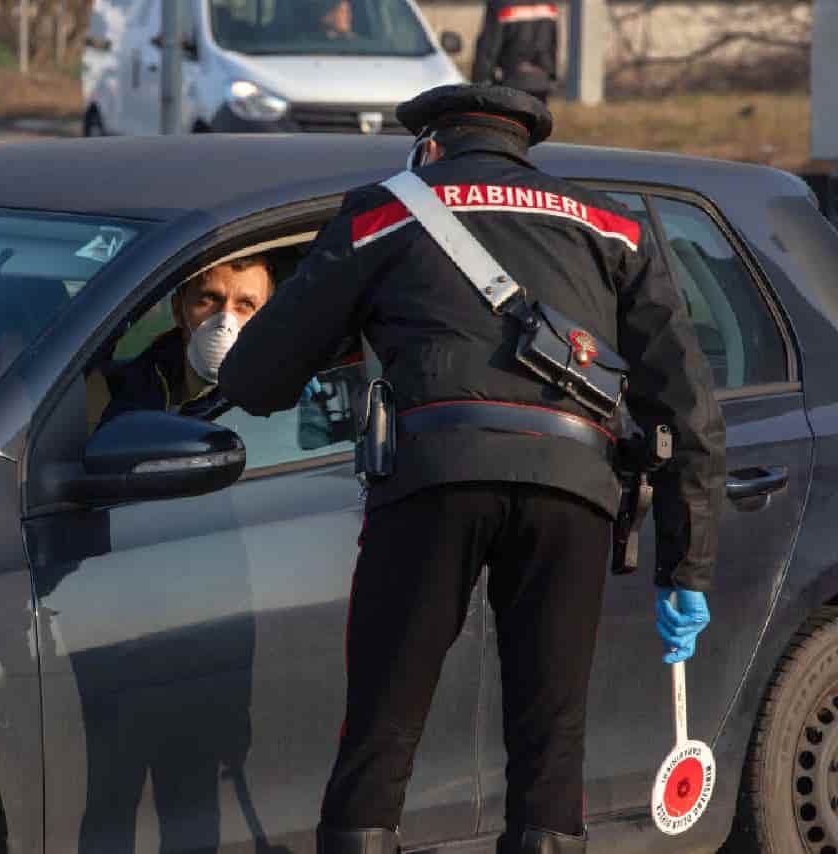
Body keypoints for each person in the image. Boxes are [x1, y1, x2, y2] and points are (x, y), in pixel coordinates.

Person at [219, 84, 725, 854]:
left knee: (381, 734)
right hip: (573, 492)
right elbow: (685, 404)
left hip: (433, 482)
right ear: (524, 147)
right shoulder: (611, 225)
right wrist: (685, 565)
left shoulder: (387, 210)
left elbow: (257, 380)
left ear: (429, 146)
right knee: (551, 745)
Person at [88, 255, 274, 429]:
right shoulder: (115, 389)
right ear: (178, 309)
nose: (225, 320)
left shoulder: (271, 404)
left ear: (265, 320)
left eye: (245, 305)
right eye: (209, 299)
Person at [472, 0, 559, 103]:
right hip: (540, 81)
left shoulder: (499, 3)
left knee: (511, 118)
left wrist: (479, 84)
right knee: (536, 117)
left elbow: (488, 47)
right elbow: (552, 42)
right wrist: (551, 75)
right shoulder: (548, 3)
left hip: (511, 80)